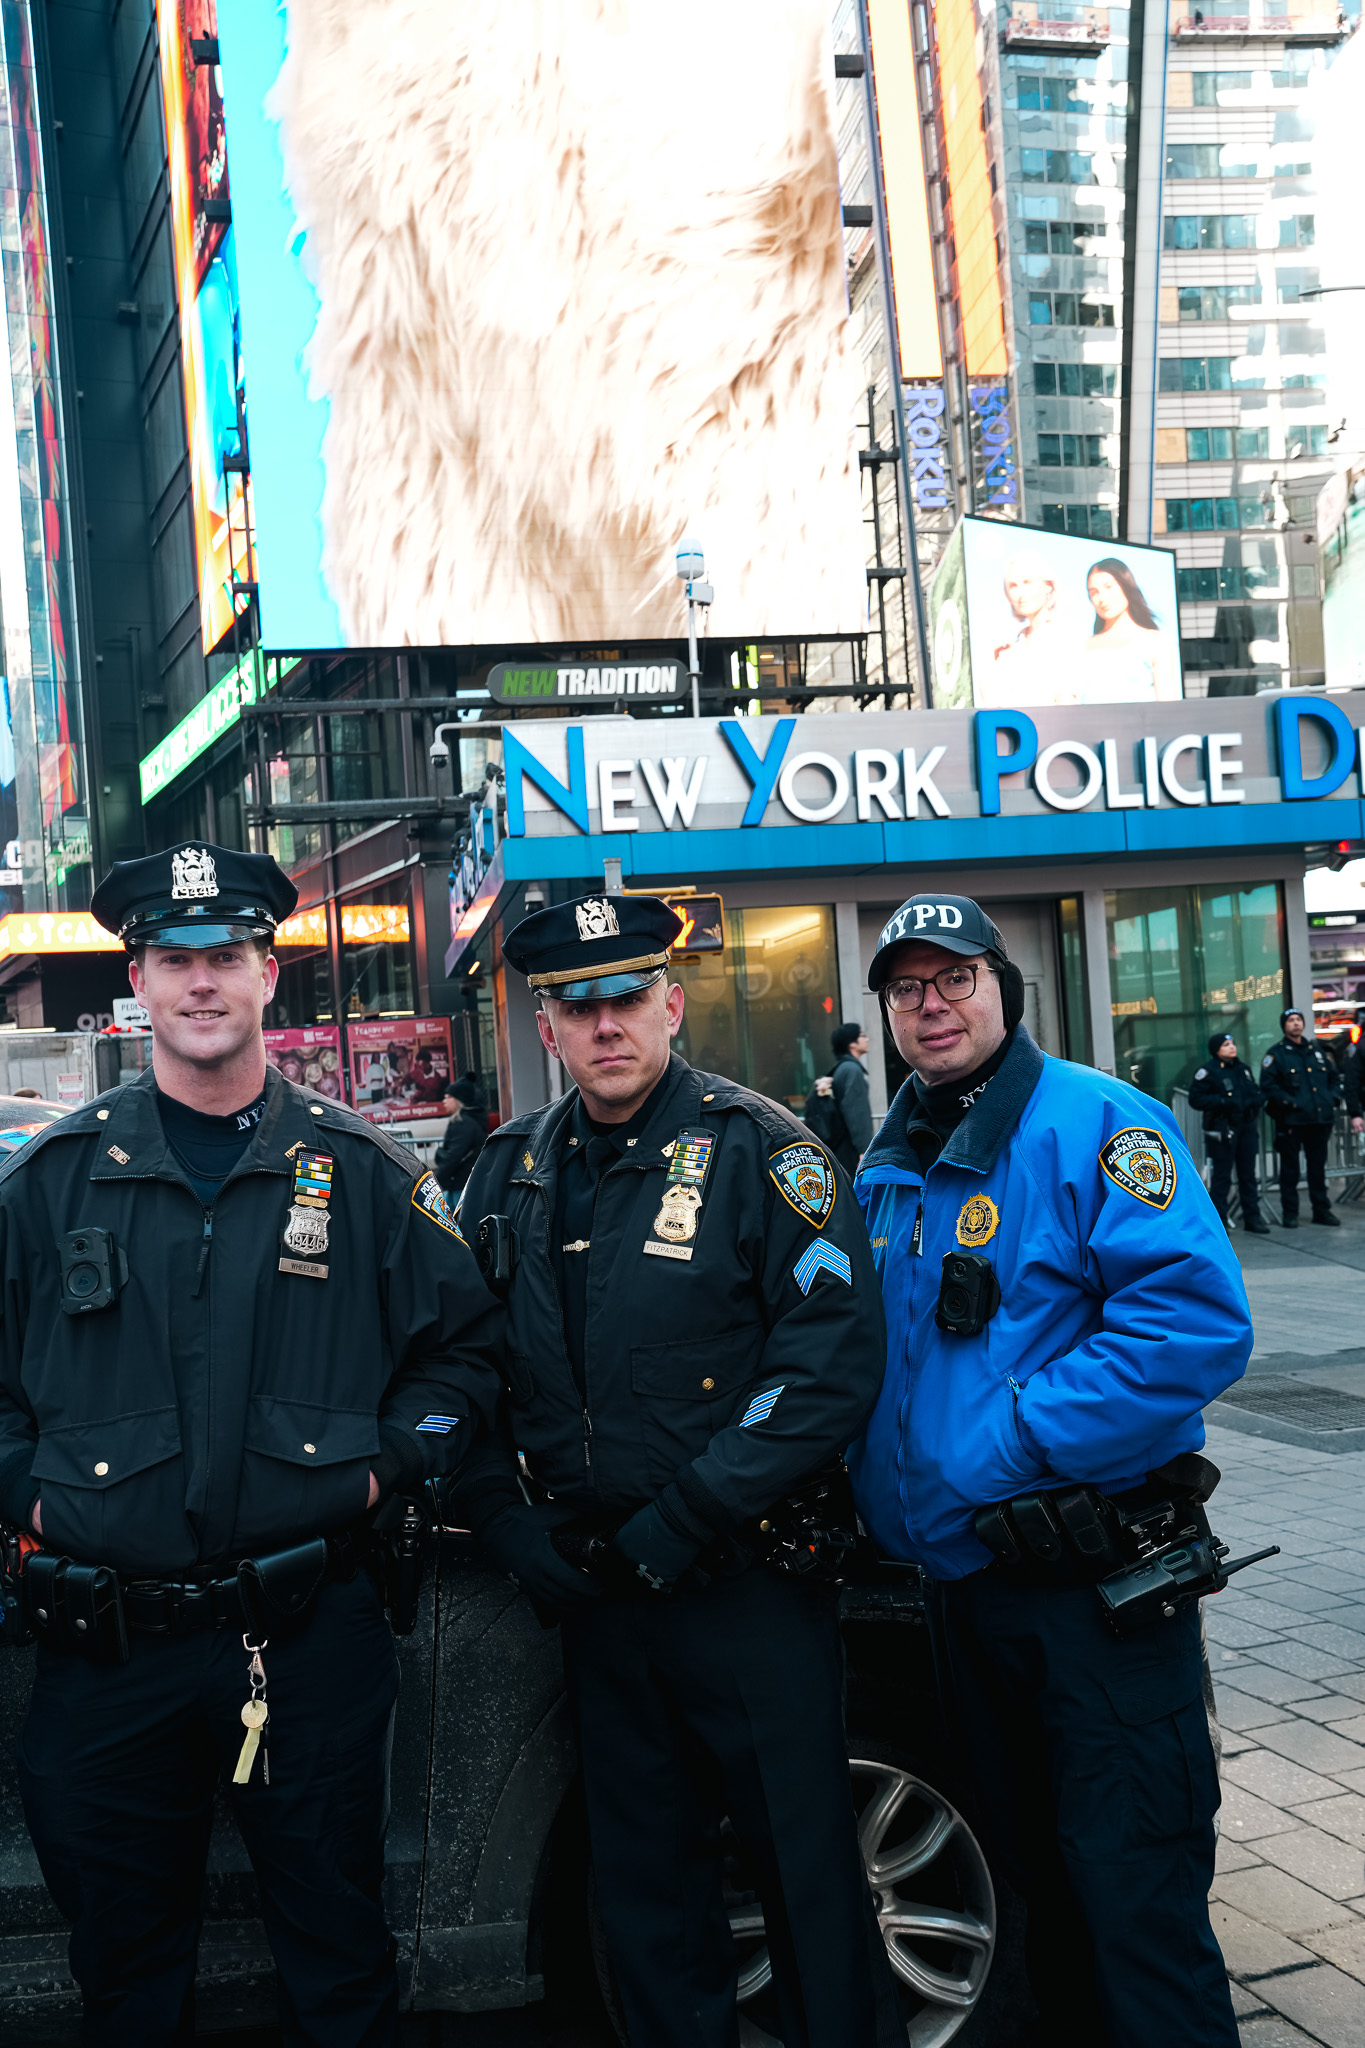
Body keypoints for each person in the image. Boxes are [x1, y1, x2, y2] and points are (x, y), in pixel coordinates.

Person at [0, 842, 504, 2046]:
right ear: (140, 980)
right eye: (177, 961)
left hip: (307, 1638)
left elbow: (467, 1356)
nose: (202, 984)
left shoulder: (366, 1171)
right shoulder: (54, 1181)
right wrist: (37, 1497)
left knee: (338, 1957)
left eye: (225, 957)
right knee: (126, 1974)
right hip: (105, 1646)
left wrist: (387, 1465)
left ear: (268, 976)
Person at [455, 891, 900, 2048]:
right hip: (603, 1598)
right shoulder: (507, 1171)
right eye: (577, 1005)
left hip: (746, 1585)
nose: (606, 1025)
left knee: (806, 1883)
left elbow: (829, 1361)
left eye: (625, 998)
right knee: (646, 1898)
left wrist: (689, 1513)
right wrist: (502, 1515)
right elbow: (461, 1361)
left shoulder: (770, 1151)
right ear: (545, 1025)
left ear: (671, 1000)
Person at [846, 892, 1252, 2048]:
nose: (934, 1005)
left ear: (1002, 988)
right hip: (966, 1598)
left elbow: (1192, 1330)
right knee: (1042, 1911)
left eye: (956, 978)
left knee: (1137, 1912)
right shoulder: (893, 1157)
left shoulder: (1097, 1123)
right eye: (908, 987)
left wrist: (1008, 1439)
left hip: (1095, 1605)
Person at [1260, 1005, 1343, 1227]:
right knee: (1290, 1170)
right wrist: (1290, 1103)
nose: (1296, 1023)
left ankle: (1321, 1211)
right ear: (1284, 1026)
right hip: (1292, 1121)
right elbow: (1269, 1086)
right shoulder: (1276, 1054)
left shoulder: (1318, 1051)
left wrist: (1332, 1099)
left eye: (1299, 1019)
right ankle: (1291, 1213)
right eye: (1291, 1020)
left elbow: (1334, 1080)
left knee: (1317, 1169)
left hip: (1319, 1120)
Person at [1189, 1031, 1270, 1233]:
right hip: (1223, 1129)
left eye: (1232, 1043)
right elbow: (1196, 1099)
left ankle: (1252, 1218)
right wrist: (1223, 1102)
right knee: (1222, 1178)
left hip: (1246, 1128)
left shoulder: (1243, 1069)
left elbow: (1255, 1092)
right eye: (1226, 1045)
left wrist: (1253, 1101)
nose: (1232, 1047)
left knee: (1248, 1175)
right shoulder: (1207, 1072)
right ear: (1216, 1050)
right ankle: (1220, 1223)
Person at [1080, 556, 1180, 703]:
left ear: (1125, 586)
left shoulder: (1157, 642)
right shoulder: (1083, 646)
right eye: (1094, 592)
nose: (1102, 598)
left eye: (1108, 587)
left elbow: (1168, 706)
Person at [809, 1021, 872, 1175]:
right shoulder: (852, 1070)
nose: (867, 1039)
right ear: (852, 1044)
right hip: (851, 1151)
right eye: (862, 1035)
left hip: (839, 1148)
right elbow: (856, 1112)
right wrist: (864, 1150)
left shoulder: (840, 1069)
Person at [432, 1074, 488, 1195]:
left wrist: (436, 1182)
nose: (444, 1101)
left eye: (448, 1097)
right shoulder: (465, 1121)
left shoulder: (464, 1123)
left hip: (461, 1184)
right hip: (459, 1182)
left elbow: (454, 1155)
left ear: (458, 1100)